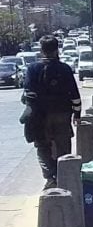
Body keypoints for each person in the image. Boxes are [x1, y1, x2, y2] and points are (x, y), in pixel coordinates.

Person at [22, 35, 81, 189]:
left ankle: (50, 176)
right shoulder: (64, 68)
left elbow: (28, 92)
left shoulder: (33, 69)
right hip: (62, 113)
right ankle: (65, 176)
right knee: (63, 145)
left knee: (42, 146)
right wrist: (77, 113)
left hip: (40, 115)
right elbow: (74, 94)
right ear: (57, 49)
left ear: (41, 50)